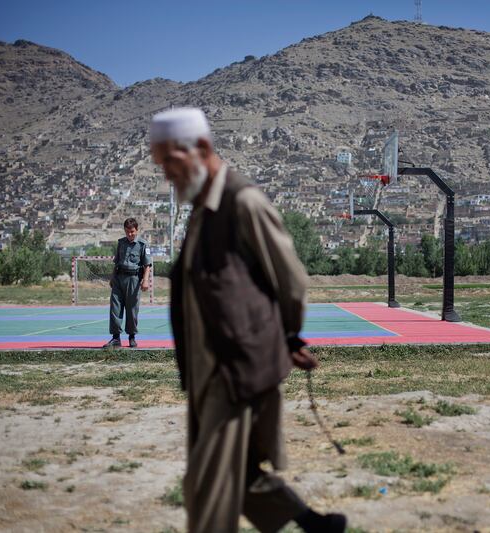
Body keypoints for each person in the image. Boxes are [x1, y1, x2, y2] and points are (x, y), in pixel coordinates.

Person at [149, 107, 346, 533]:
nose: (166, 175)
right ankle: (315, 525)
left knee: (208, 490)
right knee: (235, 474)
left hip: (236, 370)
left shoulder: (243, 203)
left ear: (201, 149)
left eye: (170, 162)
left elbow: (290, 280)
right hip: (207, 369)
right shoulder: (203, 209)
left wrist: (290, 337)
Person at [103, 217, 152, 348]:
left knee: (132, 309)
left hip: (133, 280)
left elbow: (147, 265)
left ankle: (132, 337)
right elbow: (116, 262)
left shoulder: (142, 244)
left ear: (137, 230)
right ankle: (116, 338)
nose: (129, 234)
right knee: (115, 307)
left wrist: (145, 280)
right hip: (119, 278)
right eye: (127, 231)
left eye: (132, 231)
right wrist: (112, 278)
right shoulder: (121, 243)